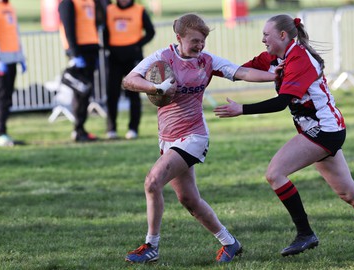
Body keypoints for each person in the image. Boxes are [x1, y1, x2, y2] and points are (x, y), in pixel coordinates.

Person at [214, 14, 354, 260]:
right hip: (323, 130)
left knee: (275, 173)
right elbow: (242, 71)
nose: (262, 39)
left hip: (325, 130)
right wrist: (205, 65)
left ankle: (305, 233)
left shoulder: (299, 58)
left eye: (266, 35)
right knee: (350, 194)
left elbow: (281, 103)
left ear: (282, 35)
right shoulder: (278, 56)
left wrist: (242, 109)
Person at [121, 13, 276, 263]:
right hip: (168, 138)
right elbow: (129, 80)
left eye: (202, 41)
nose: (200, 46)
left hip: (194, 136)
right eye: (194, 40)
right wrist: (156, 88)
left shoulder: (207, 61)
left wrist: (276, 77)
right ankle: (230, 243)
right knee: (189, 200)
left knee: (152, 182)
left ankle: (151, 247)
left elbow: (242, 73)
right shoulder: (162, 58)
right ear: (179, 37)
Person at [104, 0, 155, 140]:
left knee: (134, 94)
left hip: (133, 57)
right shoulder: (109, 9)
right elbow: (104, 32)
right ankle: (111, 129)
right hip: (114, 58)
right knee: (112, 93)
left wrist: (137, 45)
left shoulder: (139, 10)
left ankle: (133, 129)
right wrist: (108, 48)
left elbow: (151, 32)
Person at [58, 0, 100, 142]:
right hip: (79, 52)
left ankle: (80, 129)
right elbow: (68, 28)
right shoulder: (68, 3)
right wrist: (74, 54)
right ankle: (78, 129)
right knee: (82, 90)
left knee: (85, 93)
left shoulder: (90, 2)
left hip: (90, 50)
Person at [0, 0, 26, 147]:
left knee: (7, 97)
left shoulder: (9, 7)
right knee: (1, 97)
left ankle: (3, 131)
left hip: (11, 59)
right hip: (0, 60)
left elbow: (15, 32)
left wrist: (20, 57)